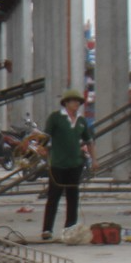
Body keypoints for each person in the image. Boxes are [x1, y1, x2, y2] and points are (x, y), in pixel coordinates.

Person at [41, 89, 94, 240]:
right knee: (54, 196)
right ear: (66, 103)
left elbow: (89, 141)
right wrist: (42, 149)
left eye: (78, 101)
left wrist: (95, 160)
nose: (76, 104)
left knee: (73, 196)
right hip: (58, 163)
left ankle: (69, 228)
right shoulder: (56, 118)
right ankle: (47, 229)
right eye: (73, 101)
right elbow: (45, 137)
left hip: (75, 163)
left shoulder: (81, 121)